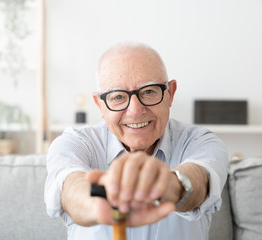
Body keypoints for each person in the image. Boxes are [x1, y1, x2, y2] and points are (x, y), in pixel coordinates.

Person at [44, 42, 228, 240]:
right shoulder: (75, 143)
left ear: (170, 94)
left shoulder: (201, 142)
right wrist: (98, 201)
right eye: (117, 97)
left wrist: (168, 185)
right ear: (100, 105)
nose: (135, 110)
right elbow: (69, 187)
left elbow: (200, 181)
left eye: (149, 91)